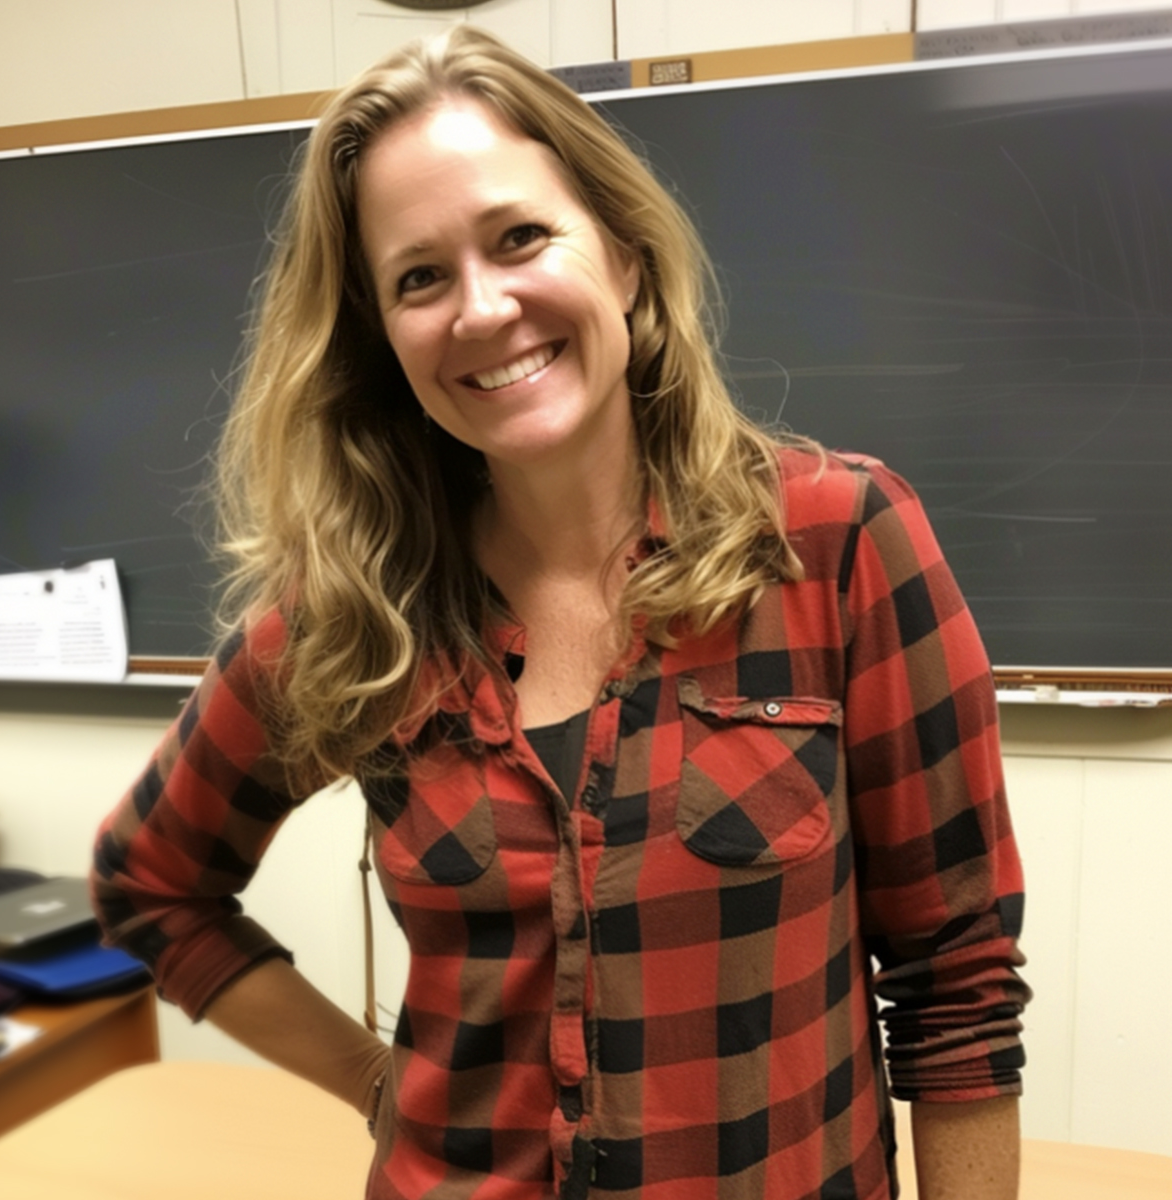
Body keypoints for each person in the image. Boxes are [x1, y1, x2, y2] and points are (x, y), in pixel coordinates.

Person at [92, 26, 1028, 1200]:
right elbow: (148, 881)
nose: (482, 310)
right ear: (384, 340)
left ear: (626, 259)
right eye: (419, 277)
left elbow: (958, 981)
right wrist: (372, 1082)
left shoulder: (836, 540)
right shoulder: (355, 617)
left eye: (521, 237)